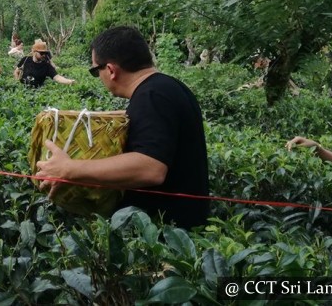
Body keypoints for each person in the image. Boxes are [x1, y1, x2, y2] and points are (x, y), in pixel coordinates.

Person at [35, 26, 210, 230]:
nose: (98, 76)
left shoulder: (151, 97)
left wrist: (69, 169)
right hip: (179, 226)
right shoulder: (168, 87)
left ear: (110, 70)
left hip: (170, 235)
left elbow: (150, 168)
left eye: (95, 70)